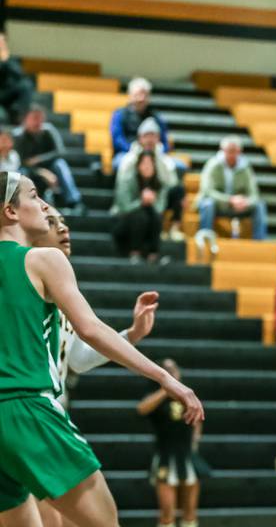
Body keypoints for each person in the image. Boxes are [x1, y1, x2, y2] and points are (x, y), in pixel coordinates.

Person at [0, 171, 203, 527]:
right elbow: (90, 330)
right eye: (34, 197)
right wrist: (165, 379)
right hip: (26, 409)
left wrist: (131, 333)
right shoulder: (42, 260)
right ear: (10, 211)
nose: (45, 207)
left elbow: (77, 355)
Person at [29, 206, 158, 527]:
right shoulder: (22, 282)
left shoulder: (61, 286)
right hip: (28, 417)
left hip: (50, 416)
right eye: (52, 221)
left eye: (64, 220)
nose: (64, 227)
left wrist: (132, 334)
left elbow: (77, 359)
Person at [137, 359, 206, 527]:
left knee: (190, 512)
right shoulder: (155, 395)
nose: (172, 371)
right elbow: (141, 409)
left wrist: (196, 437)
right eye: (166, 369)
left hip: (187, 454)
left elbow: (198, 417)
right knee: (167, 511)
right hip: (165, 455)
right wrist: (165, 386)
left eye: (174, 368)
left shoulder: (186, 394)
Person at [117, 118, 185, 241]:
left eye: (153, 136)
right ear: (139, 138)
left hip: (158, 197)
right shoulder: (129, 159)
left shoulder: (164, 159)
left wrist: (157, 161)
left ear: (158, 138)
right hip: (135, 198)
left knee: (179, 190)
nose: (149, 140)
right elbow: (123, 185)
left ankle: (174, 228)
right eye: (146, 136)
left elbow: (171, 183)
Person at [13, 105, 85, 214]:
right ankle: (20, 204)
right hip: (28, 170)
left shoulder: (48, 130)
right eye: (34, 118)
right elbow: (21, 161)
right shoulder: (18, 135)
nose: (37, 122)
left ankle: (74, 201)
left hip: (48, 166)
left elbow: (60, 152)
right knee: (20, 172)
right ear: (25, 120)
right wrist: (41, 172)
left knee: (60, 164)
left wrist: (39, 160)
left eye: (40, 119)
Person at [195, 136, 267, 241]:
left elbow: (254, 194)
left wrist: (246, 202)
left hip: (239, 207)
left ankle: (260, 242)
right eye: (229, 151)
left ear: (239, 152)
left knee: (259, 205)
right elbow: (207, 191)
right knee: (207, 203)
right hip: (218, 205)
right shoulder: (212, 165)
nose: (232, 154)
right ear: (222, 150)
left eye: (235, 151)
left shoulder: (245, 168)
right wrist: (230, 200)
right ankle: (206, 239)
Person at [112, 151, 169, 263]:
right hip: (123, 223)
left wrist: (152, 202)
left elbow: (161, 208)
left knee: (155, 216)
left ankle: (153, 254)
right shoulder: (127, 180)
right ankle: (134, 252)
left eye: (150, 164)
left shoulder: (159, 184)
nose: (147, 167)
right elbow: (124, 207)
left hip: (148, 221)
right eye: (144, 163)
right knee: (140, 215)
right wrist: (141, 202)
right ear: (138, 165)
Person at [110, 78, 170, 170]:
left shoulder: (156, 117)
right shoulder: (120, 115)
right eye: (138, 94)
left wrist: (155, 152)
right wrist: (136, 152)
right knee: (120, 163)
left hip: (154, 155)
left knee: (179, 166)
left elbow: (164, 141)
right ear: (130, 95)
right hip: (127, 153)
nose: (141, 98)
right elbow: (117, 139)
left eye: (144, 95)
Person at [0, 33, 34, 123]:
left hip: (9, 90)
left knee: (26, 85)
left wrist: (6, 60)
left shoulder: (13, 56)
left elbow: (18, 72)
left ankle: (18, 114)